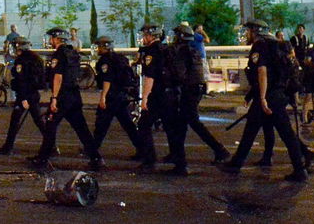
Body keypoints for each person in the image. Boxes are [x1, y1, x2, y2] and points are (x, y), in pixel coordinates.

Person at [220, 19, 309, 182]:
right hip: (279, 94)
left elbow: (262, 72)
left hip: (268, 96)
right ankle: (299, 168)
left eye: (248, 31)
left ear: (256, 31)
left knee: (255, 131)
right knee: (281, 133)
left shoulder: (261, 46)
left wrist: (261, 98)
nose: (246, 34)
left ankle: (236, 164)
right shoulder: (278, 45)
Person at [30, 26, 101, 171]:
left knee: (50, 126)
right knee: (82, 128)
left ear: (57, 39)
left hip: (63, 96)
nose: (50, 40)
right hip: (74, 95)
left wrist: (54, 98)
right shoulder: (73, 53)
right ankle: (96, 157)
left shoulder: (59, 55)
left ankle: (42, 158)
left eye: (51, 38)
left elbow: (58, 77)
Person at [170, 23, 229, 163]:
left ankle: (219, 150)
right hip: (196, 88)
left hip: (188, 89)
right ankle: (178, 156)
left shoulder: (181, 52)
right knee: (182, 124)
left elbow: (179, 74)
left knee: (192, 122)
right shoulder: (192, 49)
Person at [135, 23, 189, 174]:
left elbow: (150, 76)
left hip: (158, 95)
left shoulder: (151, 52)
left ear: (152, 36)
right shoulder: (166, 49)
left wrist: (144, 97)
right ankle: (181, 163)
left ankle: (149, 160)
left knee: (144, 126)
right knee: (172, 129)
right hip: (171, 94)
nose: (143, 38)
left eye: (145, 35)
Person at [89, 35, 139, 161]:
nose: (97, 49)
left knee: (101, 124)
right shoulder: (120, 58)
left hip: (112, 96)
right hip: (121, 96)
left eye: (99, 46)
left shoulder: (105, 61)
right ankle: (142, 149)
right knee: (128, 125)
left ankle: (93, 148)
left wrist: (103, 97)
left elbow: (107, 79)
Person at [0, 35, 46, 154]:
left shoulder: (21, 60)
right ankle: (51, 145)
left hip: (25, 96)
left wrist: (23, 98)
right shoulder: (36, 58)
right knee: (39, 121)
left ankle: (8, 147)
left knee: (15, 122)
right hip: (33, 94)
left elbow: (22, 80)